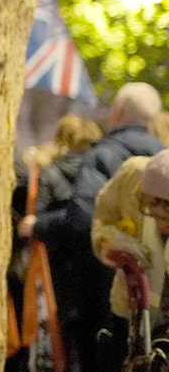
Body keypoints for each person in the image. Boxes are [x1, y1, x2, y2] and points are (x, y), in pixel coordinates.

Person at [63, 82, 164, 367]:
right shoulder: (161, 153)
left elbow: (82, 220)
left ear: (117, 111)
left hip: (113, 303)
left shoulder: (103, 156)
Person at [13, 115, 102, 370]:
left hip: (51, 266)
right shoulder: (96, 170)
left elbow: (34, 217)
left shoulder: (47, 169)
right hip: (90, 263)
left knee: (53, 335)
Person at [91, 150, 169, 366]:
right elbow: (104, 216)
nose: (161, 226)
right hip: (130, 310)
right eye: (155, 216)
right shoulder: (132, 175)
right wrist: (107, 243)